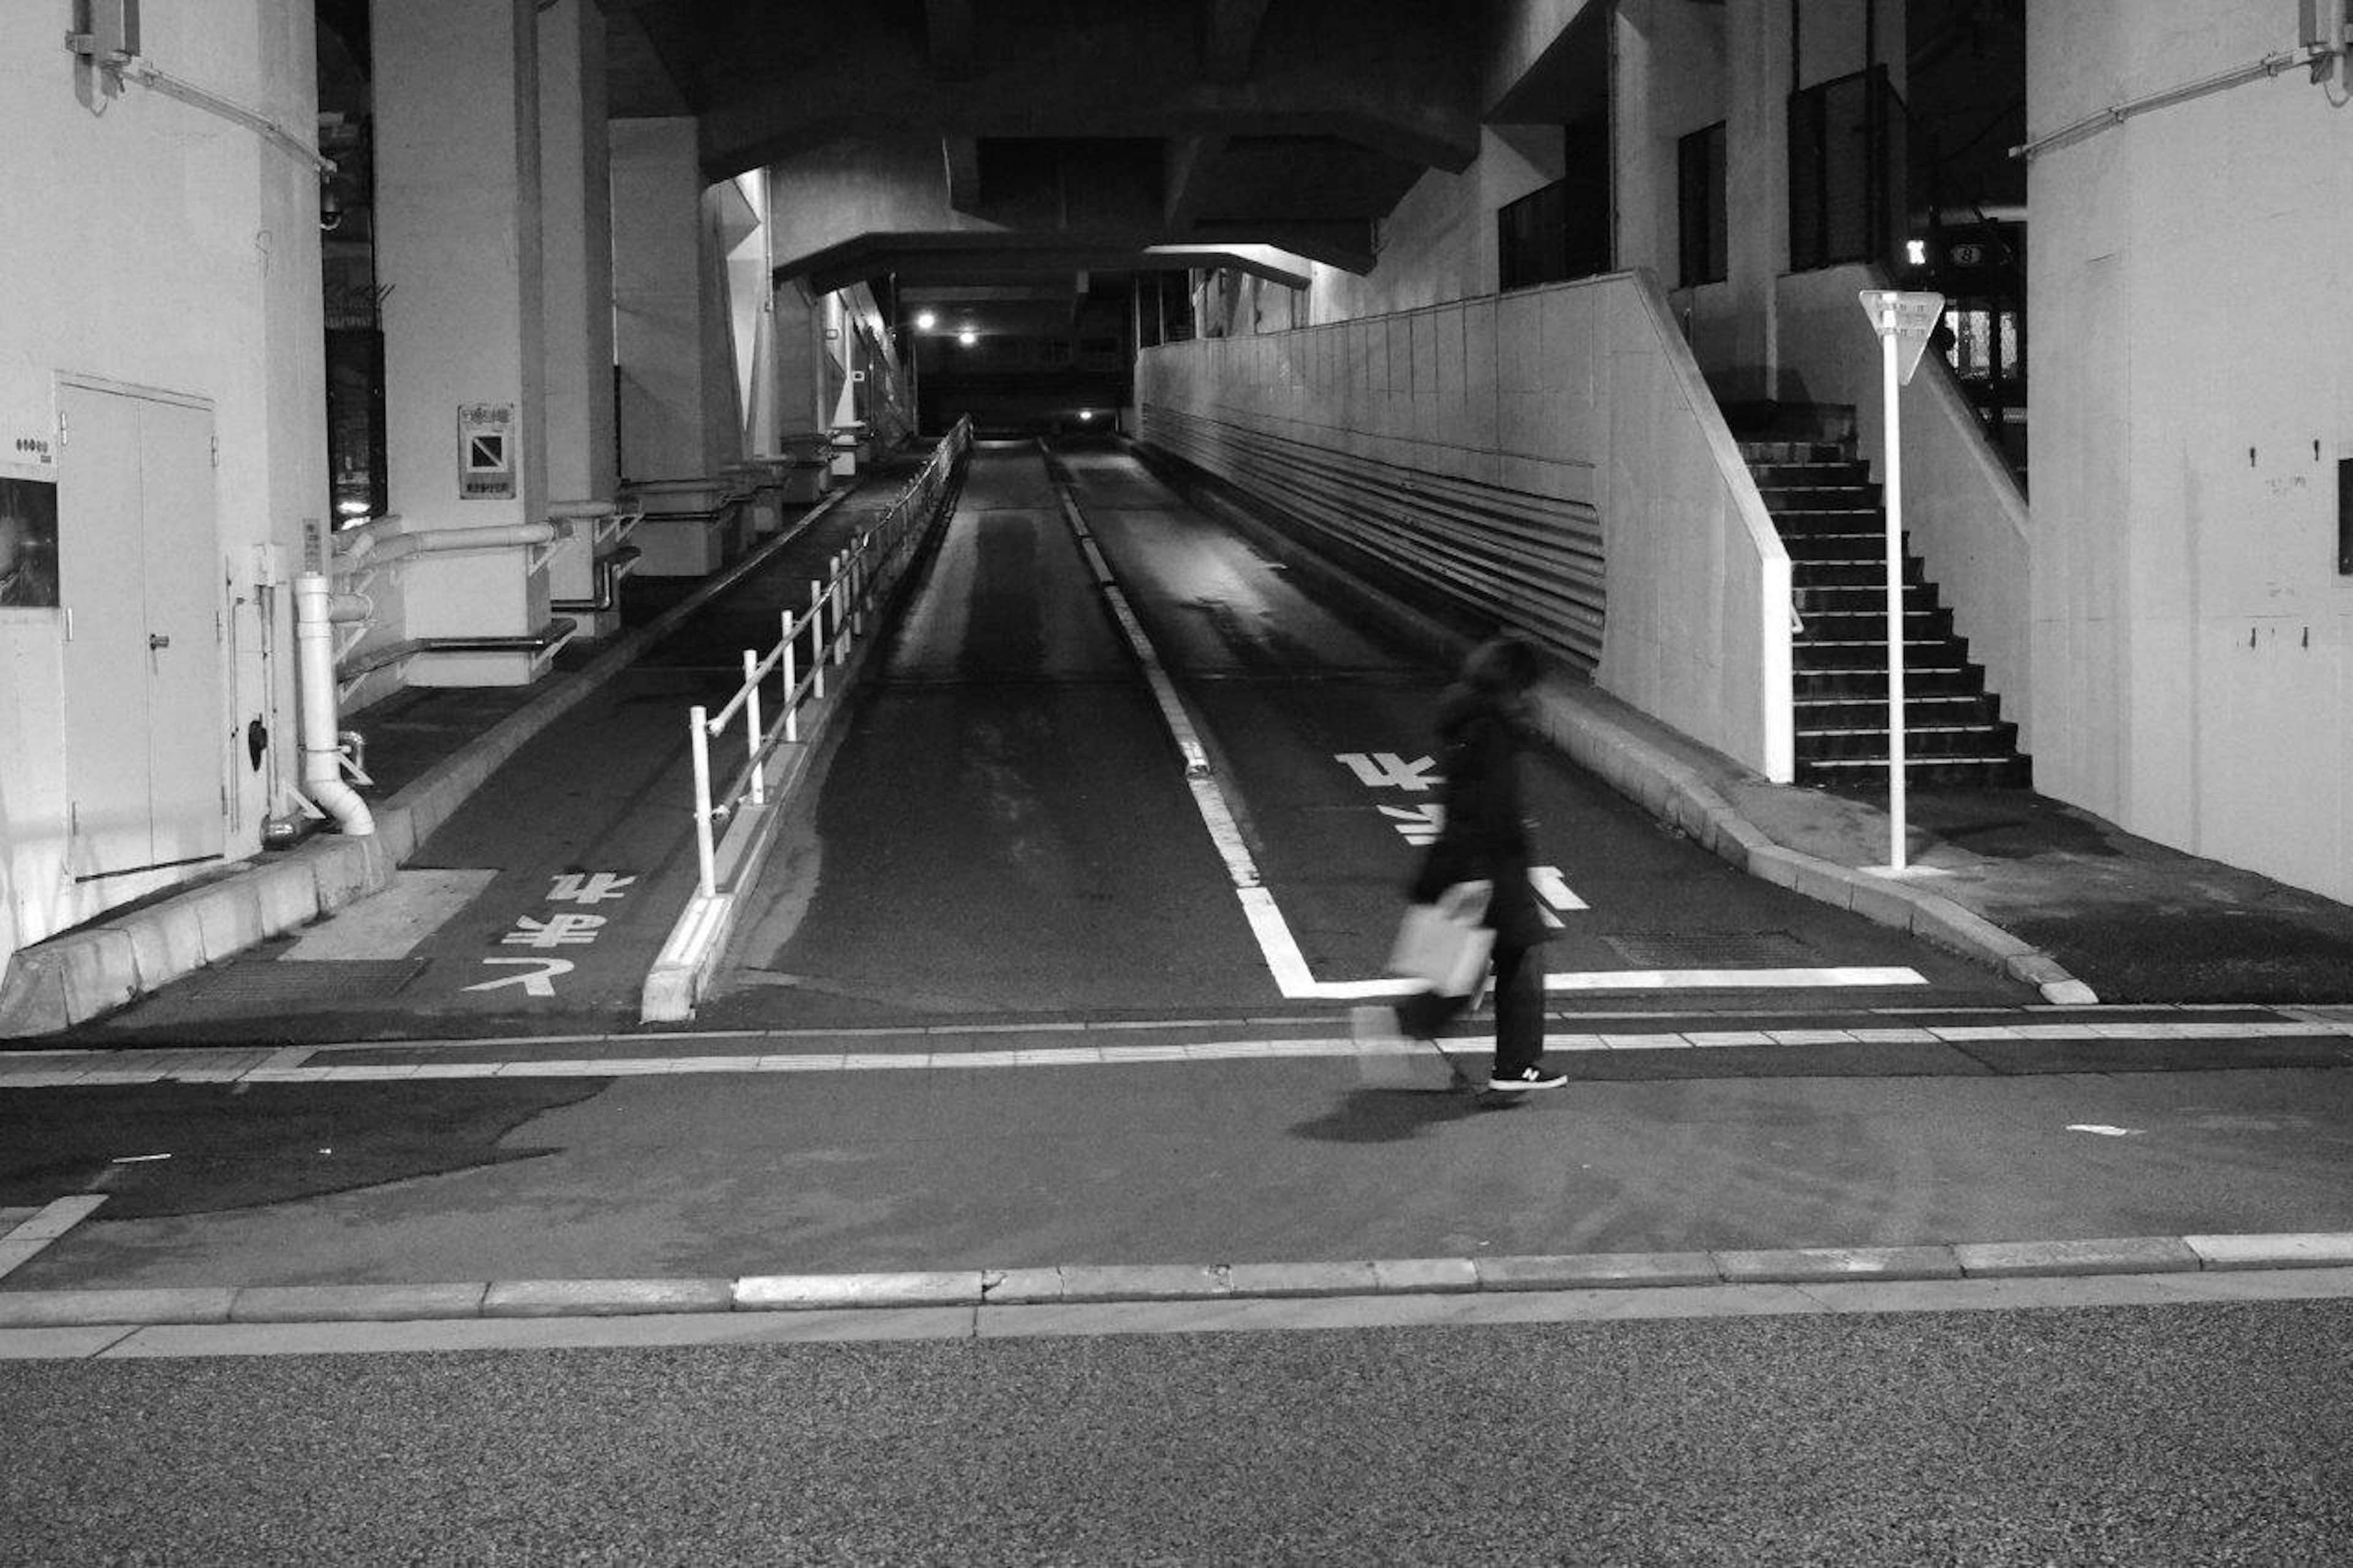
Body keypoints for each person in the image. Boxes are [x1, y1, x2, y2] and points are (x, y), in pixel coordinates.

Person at [1358, 634, 1566, 1093]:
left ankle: (1408, 1023)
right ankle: (1514, 1065)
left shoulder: (1472, 717)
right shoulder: (1491, 729)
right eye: (1528, 686)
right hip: (1489, 867)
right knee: (1519, 961)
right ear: (1514, 683)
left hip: (1473, 864)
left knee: (1468, 965)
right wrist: (1487, 876)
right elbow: (1489, 807)